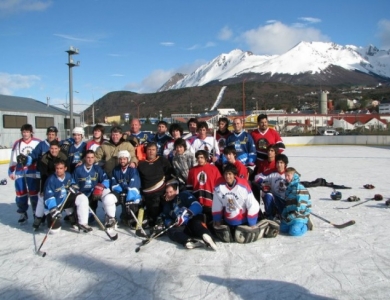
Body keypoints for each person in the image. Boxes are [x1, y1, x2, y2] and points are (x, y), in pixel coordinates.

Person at [212, 164, 276, 243]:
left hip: (244, 221)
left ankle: (263, 224)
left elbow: (253, 204)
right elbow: (216, 204)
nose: (227, 176)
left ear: (235, 175)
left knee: (244, 236)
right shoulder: (219, 186)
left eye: (230, 174)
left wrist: (252, 223)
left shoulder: (242, 186)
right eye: (225, 174)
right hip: (228, 220)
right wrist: (217, 220)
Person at [161, 181, 217, 250]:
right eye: (167, 192)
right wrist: (170, 222)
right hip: (184, 227)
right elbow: (166, 217)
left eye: (171, 192)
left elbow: (197, 206)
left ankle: (206, 236)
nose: (169, 194)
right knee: (170, 231)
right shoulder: (167, 205)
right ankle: (188, 240)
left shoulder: (183, 195)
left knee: (196, 223)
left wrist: (187, 214)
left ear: (176, 191)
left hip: (193, 219)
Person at [42, 159, 90, 233]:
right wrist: (53, 209)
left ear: (65, 168)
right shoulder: (50, 180)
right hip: (54, 206)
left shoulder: (68, 175)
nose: (59, 170)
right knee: (55, 231)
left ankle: (83, 223)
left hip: (64, 200)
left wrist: (73, 186)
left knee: (82, 198)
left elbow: (72, 182)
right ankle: (49, 220)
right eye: (57, 168)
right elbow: (48, 197)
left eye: (61, 168)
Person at [72, 150, 117, 228]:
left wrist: (100, 187)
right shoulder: (78, 169)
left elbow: (105, 180)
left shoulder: (97, 168)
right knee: (89, 219)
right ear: (85, 158)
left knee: (108, 195)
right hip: (83, 194)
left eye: (92, 157)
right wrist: (77, 191)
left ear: (94, 158)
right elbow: (72, 183)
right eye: (88, 157)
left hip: (95, 192)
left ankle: (110, 217)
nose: (90, 159)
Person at [8, 124, 41, 224]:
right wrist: (11, 170)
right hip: (20, 171)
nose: (25, 134)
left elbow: (40, 156)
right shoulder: (17, 143)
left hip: (33, 171)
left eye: (27, 132)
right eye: (23, 132)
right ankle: (22, 212)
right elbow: (13, 159)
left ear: (31, 132)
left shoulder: (37, 142)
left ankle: (36, 213)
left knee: (34, 194)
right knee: (20, 194)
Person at [138, 142, 174, 227]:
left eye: (153, 150)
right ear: (146, 151)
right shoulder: (141, 163)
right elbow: (139, 179)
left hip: (160, 191)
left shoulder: (162, 160)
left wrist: (170, 187)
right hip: (146, 193)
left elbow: (170, 174)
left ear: (157, 151)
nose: (151, 152)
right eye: (149, 149)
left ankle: (158, 221)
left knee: (156, 207)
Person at [186, 150, 221, 222]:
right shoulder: (192, 170)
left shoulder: (214, 169)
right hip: (197, 202)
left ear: (206, 158)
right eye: (198, 158)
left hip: (211, 202)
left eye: (202, 157)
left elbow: (219, 186)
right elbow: (189, 187)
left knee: (211, 223)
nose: (199, 160)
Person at [111, 150, 142, 228]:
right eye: (121, 159)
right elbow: (114, 183)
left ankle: (131, 218)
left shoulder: (133, 170)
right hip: (121, 192)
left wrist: (128, 195)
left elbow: (135, 185)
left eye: (124, 159)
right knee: (110, 200)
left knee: (131, 204)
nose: (122, 161)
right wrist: (121, 192)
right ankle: (114, 218)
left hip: (132, 194)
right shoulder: (116, 170)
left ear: (128, 159)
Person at [254, 154, 288, 220]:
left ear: (285, 164)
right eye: (278, 162)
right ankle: (269, 216)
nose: (279, 164)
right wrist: (262, 183)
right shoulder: (272, 173)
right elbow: (257, 177)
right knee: (268, 195)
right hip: (276, 199)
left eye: (281, 163)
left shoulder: (288, 174)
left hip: (286, 201)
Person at [280, 167, 312, 236]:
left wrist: (293, 215)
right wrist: (284, 214)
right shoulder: (289, 188)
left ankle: (306, 225)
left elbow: (302, 206)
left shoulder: (299, 187)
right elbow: (288, 204)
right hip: (291, 215)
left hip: (300, 215)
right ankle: (295, 224)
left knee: (294, 231)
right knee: (282, 229)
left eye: (288, 175)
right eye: (285, 176)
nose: (286, 178)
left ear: (294, 176)